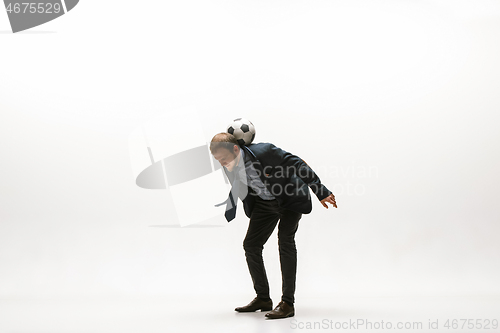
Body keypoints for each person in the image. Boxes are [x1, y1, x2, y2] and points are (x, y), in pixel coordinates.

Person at [210, 132, 337, 319]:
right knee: (251, 245)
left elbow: (298, 163)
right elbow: (241, 184)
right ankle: (263, 298)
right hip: (264, 202)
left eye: (223, 158)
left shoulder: (264, 151)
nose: (221, 163)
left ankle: (287, 303)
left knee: (285, 240)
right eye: (217, 160)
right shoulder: (229, 163)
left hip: (289, 197)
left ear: (236, 149)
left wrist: (320, 190)